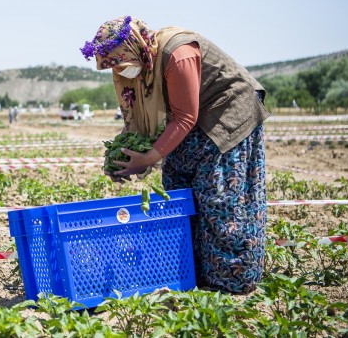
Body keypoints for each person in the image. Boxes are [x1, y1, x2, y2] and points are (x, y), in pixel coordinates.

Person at [80, 15, 270, 294]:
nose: (120, 72)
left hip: (227, 114)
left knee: (218, 197)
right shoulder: (141, 64)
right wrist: (126, 154)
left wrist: (150, 157)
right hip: (193, 121)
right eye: (114, 68)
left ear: (135, 47)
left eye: (121, 63)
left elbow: (184, 117)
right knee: (178, 189)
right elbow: (141, 119)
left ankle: (232, 278)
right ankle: (194, 273)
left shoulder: (177, 54)